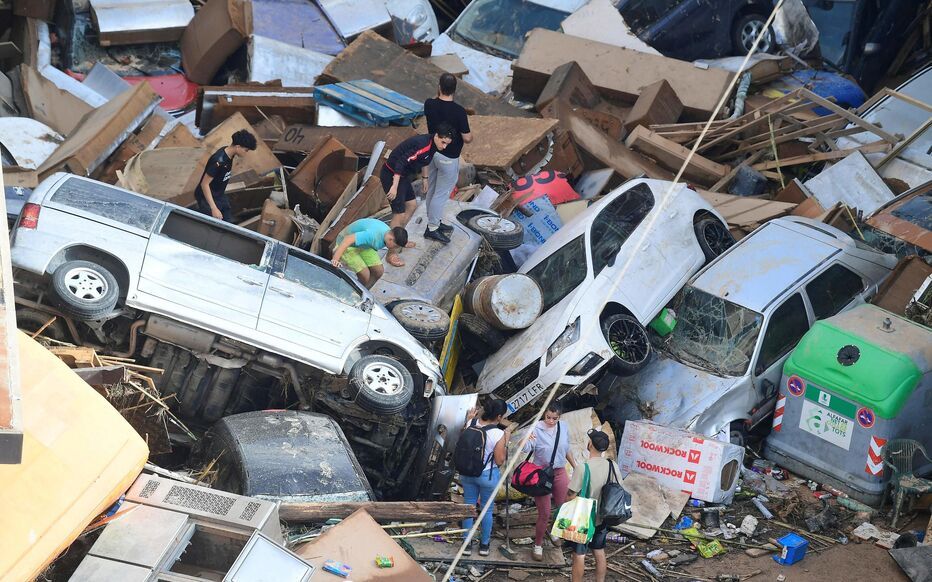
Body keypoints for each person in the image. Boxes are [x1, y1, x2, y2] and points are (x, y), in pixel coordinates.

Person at [380, 123, 456, 267]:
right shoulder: (423, 145)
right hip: (392, 174)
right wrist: (394, 186)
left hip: (403, 176)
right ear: (436, 136)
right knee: (398, 213)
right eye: (443, 142)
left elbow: (425, 160)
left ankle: (400, 239)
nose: (444, 146)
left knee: (412, 205)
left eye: (447, 144)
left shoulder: (433, 145)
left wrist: (425, 178)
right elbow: (401, 162)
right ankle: (391, 252)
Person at [422, 73, 472, 243]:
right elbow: (467, 137)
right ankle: (433, 227)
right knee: (441, 194)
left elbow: (437, 102)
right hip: (448, 157)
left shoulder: (429, 104)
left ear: (439, 87)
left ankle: (433, 221)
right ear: (455, 90)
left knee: (433, 189)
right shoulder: (459, 111)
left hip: (432, 152)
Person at [524, 402, 576, 561]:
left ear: (559, 416)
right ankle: (538, 544)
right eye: (548, 417)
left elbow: (566, 449)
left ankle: (553, 531)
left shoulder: (563, 427)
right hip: (541, 475)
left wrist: (576, 466)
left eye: (555, 418)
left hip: (560, 471)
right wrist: (524, 440)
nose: (551, 421)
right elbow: (527, 447)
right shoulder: (536, 428)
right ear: (544, 415)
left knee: (562, 508)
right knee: (544, 512)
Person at [461, 398, 511, 557]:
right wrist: (506, 440)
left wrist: (469, 418)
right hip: (487, 476)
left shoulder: (471, 424)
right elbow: (499, 460)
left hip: (467, 474)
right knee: (486, 510)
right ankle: (484, 545)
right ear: (498, 417)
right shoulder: (498, 433)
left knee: (468, 508)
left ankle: (466, 544)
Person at [567, 429, 619, 582]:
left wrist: (566, 509)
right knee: (599, 550)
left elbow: (571, 494)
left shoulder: (583, 468)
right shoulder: (612, 466)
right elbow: (618, 487)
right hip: (603, 515)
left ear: (590, 445)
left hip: (583, 517)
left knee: (579, 554)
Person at [194, 129, 257, 222]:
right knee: (215, 225)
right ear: (238, 147)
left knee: (228, 220)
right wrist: (213, 208)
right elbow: (204, 184)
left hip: (219, 195)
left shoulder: (229, 153)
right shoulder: (219, 161)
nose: (246, 153)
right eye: (246, 150)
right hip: (207, 198)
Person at [330, 218, 408, 289]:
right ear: (391, 240)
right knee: (365, 275)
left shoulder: (387, 233)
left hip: (364, 246)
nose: (394, 249)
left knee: (379, 272)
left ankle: (365, 290)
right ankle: (353, 292)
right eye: (395, 246)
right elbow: (347, 239)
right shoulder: (372, 236)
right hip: (347, 246)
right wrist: (335, 259)